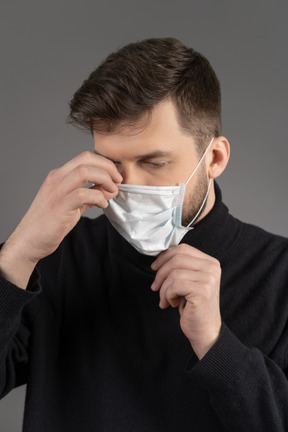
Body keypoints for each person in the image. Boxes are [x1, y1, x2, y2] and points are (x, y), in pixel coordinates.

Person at [0, 37, 287, 432]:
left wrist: (217, 347)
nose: (126, 186)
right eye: (111, 162)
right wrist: (17, 256)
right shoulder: (60, 256)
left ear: (215, 159)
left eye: (154, 162)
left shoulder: (280, 274)